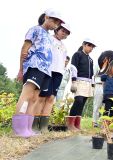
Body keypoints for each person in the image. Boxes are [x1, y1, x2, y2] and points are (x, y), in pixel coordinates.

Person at [13, 9, 64, 138]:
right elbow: (24, 50)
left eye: (58, 22)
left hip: (46, 70)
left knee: (35, 98)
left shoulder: (49, 36)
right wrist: (21, 70)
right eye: (54, 20)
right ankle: (18, 128)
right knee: (27, 95)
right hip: (34, 66)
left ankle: (28, 128)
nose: (56, 24)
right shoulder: (35, 29)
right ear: (46, 17)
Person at [32, 23, 71, 133]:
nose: (64, 34)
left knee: (50, 98)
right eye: (63, 31)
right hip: (47, 71)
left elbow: (63, 61)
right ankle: (35, 126)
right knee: (41, 97)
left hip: (58, 73)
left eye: (66, 33)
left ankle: (44, 127)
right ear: (57, 29)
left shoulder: (64, 47)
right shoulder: (48, 39)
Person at [67, 38, 96, 131]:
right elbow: (73, 67)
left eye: (92, 47)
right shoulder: (77, 54)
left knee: (82, 103)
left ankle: (77, 124)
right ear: (84, 45)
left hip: (88, 82)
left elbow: (92, 73)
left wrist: (93, 85)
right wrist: (74, 81)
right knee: (78, 101)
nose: (91, 48)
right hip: (79, 81)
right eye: (89, 45)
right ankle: (70, 124)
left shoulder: (91, 59)